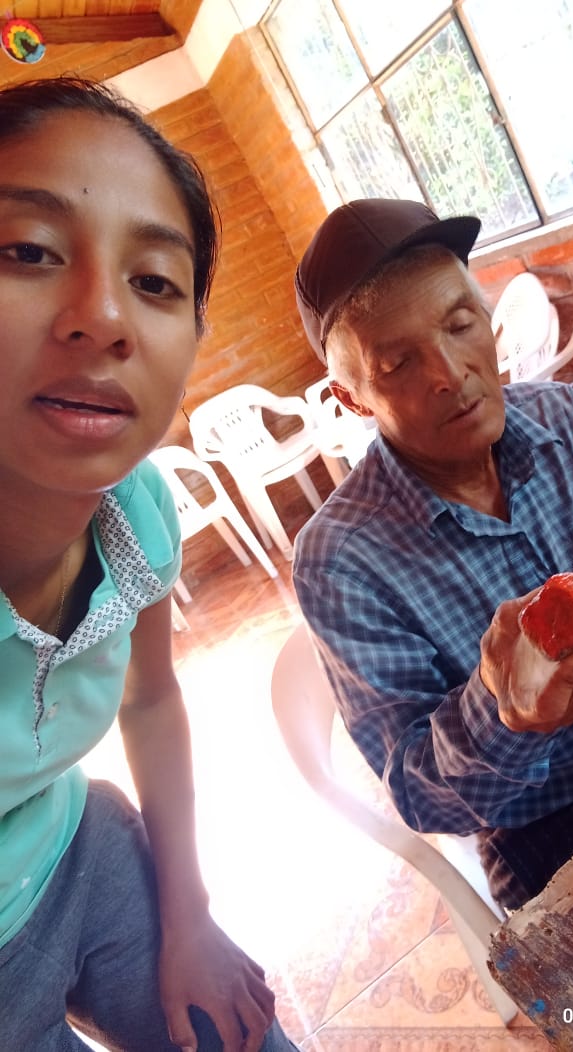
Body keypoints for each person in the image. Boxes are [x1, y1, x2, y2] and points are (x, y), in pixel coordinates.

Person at [292, 198, 573, 910]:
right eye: (399, 362)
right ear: (352, 399)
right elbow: (417, 793)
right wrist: (506, 717)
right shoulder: (340, 562)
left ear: (487, 316)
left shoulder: (567, 419)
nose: (450, 373)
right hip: (542, 828)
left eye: (460, 324)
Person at [0, 76, 298, 1052]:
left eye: (157, 281)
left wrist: (188, 914)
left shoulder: (138, 512)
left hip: (72, 852)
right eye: (28, 250)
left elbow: (151, 697)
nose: (103, 317)